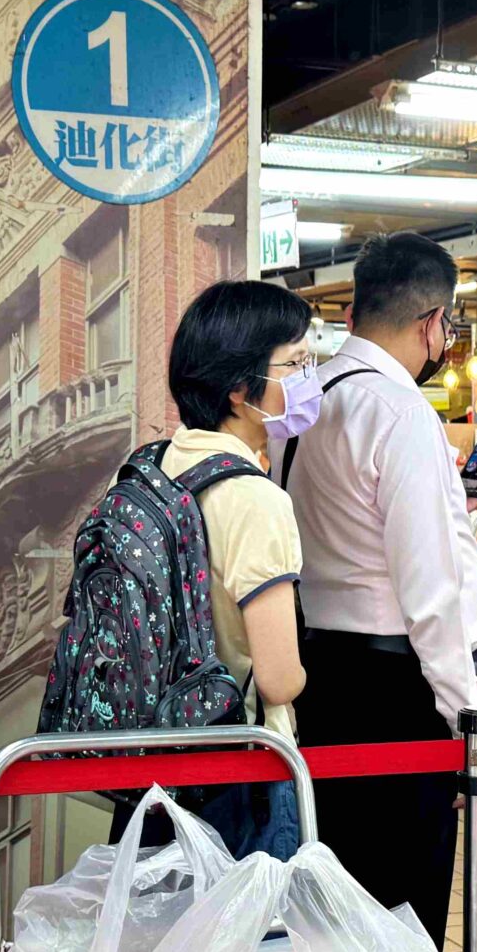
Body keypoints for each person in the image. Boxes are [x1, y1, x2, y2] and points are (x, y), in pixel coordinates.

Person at [285, 232, 477, 946]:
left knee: (332, 893)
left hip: (316, 674)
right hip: (396, 690)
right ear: (434, 322)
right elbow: (430, 594)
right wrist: (468, 717)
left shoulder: (304, 402)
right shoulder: (400, 415)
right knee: (399, 907)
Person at [150, 279, 316, 858]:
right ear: (242, 390)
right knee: (255, 944)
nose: (307, 378)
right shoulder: (255, 499)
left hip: (165, 763)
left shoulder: (162, 466)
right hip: (244, 773)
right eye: (295, 363)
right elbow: (277, 677)